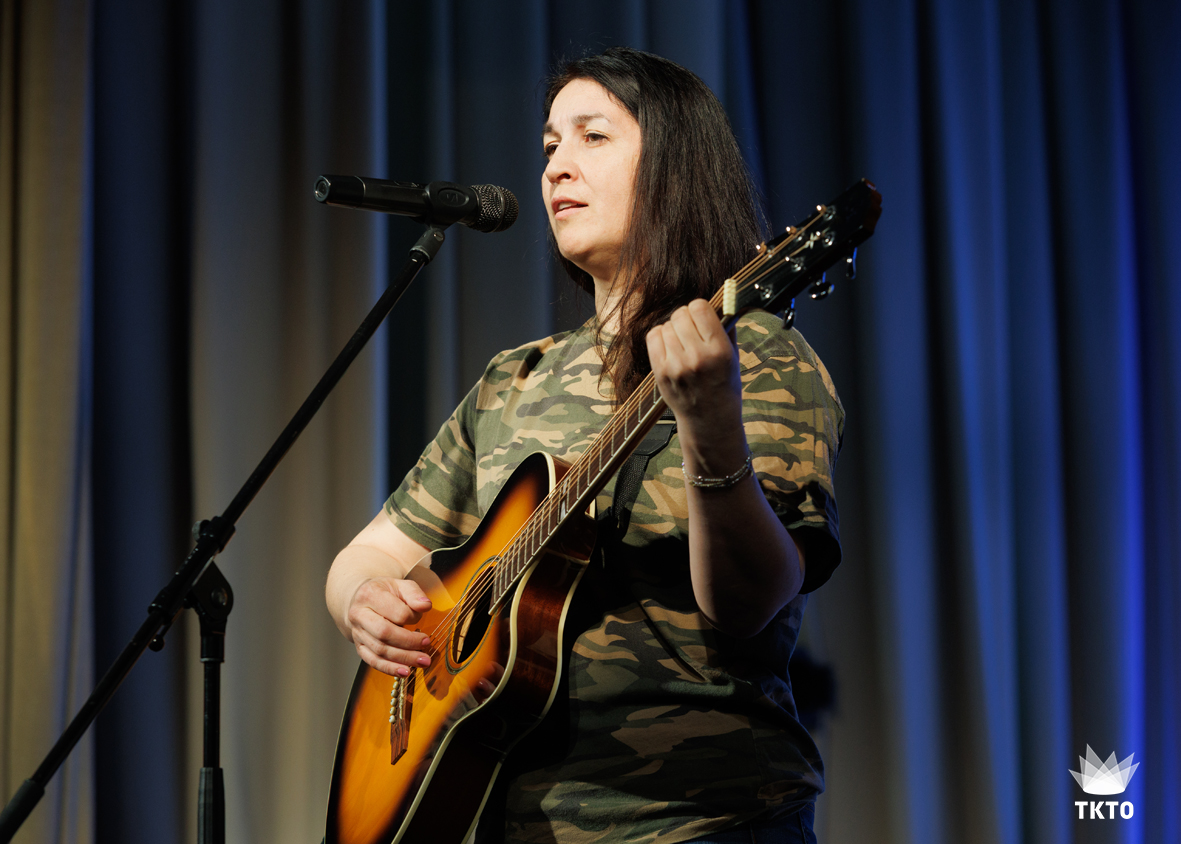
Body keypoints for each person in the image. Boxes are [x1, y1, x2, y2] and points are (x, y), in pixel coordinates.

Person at [325, 47, 843, 844]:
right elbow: (367, 555)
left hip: (702, 821)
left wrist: (709, 425)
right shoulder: (513, 380)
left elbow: (748, 603)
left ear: (674, 166)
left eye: (592, 136)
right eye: (549, 145)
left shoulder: (757, 357)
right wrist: (363, 602)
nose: (555, 166)